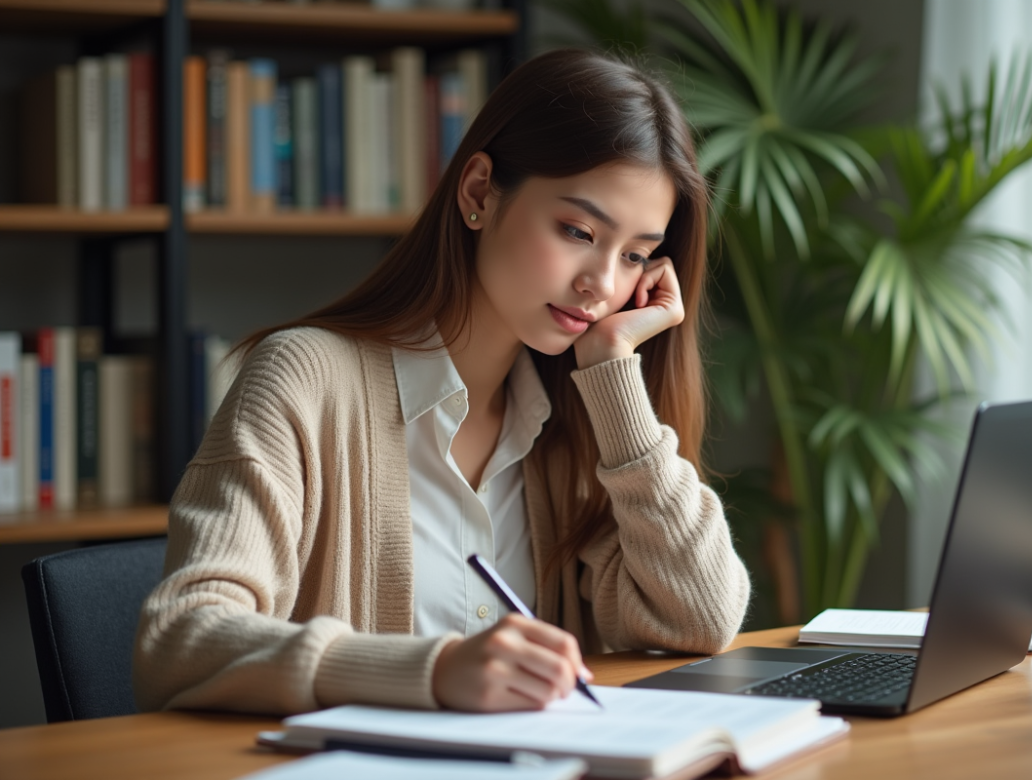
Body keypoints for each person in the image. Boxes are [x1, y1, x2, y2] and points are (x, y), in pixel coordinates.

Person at [133, 48, 751, 716]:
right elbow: (179, 642)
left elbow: (703, 618)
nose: (602, 284)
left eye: (634, 255)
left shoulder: (578, 427)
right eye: (577, 230)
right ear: (479, 192)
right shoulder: (304, 379)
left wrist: (613, 375)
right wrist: (435, 670)